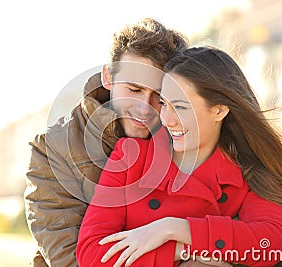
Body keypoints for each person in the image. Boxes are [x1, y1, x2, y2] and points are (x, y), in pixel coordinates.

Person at [76, 46, 282, 266]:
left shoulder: (249, 171)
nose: (167, 119)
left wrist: (173, 228)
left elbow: (268, 245)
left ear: (219, 109)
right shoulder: (132, 156)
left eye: (181, 107)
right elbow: (91, 254)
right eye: (164, 103)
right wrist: (184, 251)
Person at [24, 18, 190, 267]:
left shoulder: (187, 140)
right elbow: (69, 258)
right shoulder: (52, 148)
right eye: (134, 89)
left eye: (159, 96)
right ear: (108, 77)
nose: (145, 107)